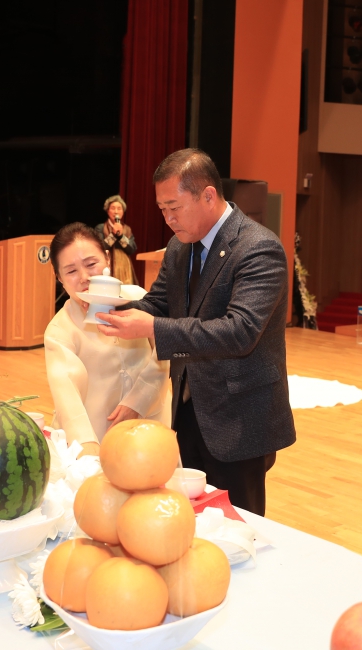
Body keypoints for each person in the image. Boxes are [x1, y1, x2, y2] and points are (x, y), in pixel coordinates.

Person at [100, 148, 295, 514]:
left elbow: (240, 331)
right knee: (193, 517)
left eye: (175, 207)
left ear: (208, 195)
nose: (169, 219)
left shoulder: (258, 247)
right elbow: (158, 303)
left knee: (239, 524)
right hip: (190, 408)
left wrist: (154, 328)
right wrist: (113, 312)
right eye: (162, 209)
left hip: (240, 416)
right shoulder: (179, 247)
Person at [43, 223, 170, 453]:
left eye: (91, 264)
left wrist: (138, 402)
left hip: (150, 423)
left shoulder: (140, 298)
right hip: (95, 436)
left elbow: (163, 355)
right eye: (71, 271)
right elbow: (68, 402)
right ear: (58, 277)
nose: (84, 277)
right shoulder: (59, 330)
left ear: (108, 259)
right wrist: (89, 452)